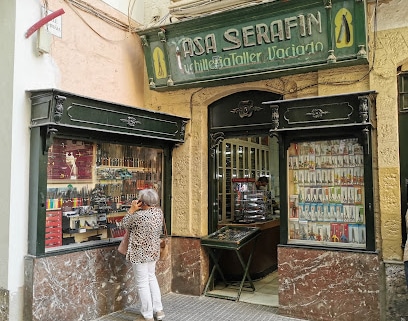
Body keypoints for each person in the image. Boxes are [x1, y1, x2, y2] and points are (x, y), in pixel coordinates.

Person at [121, 189, 165, 321]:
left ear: (142, 202)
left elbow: (124, 224)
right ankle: (159, 310)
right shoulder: (158, 212)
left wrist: (132, 209)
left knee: (142, 283)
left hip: (139, 254)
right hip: (153, 251)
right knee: (152, 278)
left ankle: (147, 315)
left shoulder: (138, 216)